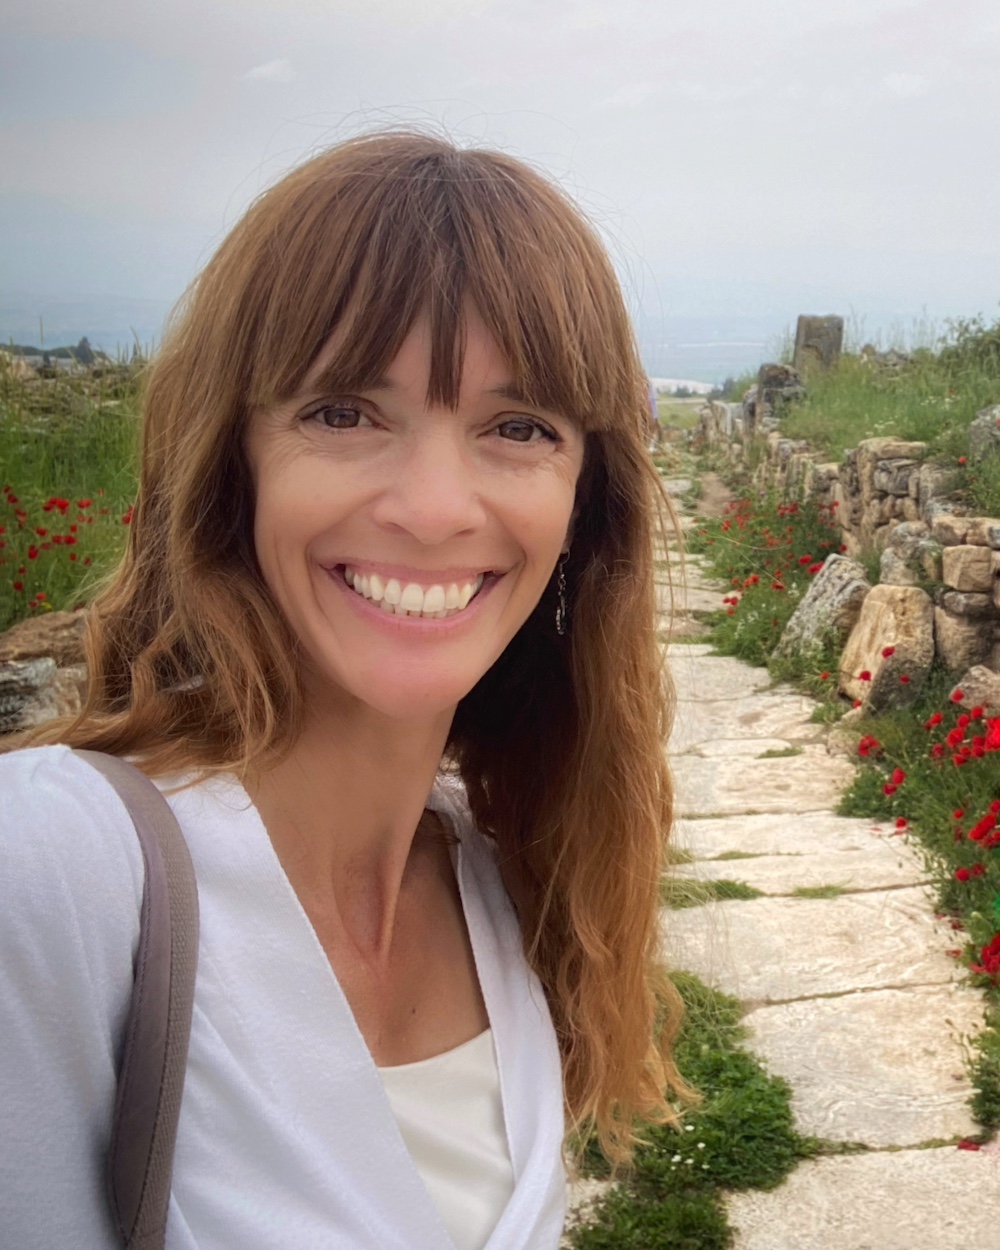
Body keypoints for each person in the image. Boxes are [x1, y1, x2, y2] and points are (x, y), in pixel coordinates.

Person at [0, 132, 686, 1250]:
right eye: (342, 411)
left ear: (581, 510)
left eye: (518, 428)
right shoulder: (54, 868)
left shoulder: (496, 879)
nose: (431, 506)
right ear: (235, 459)